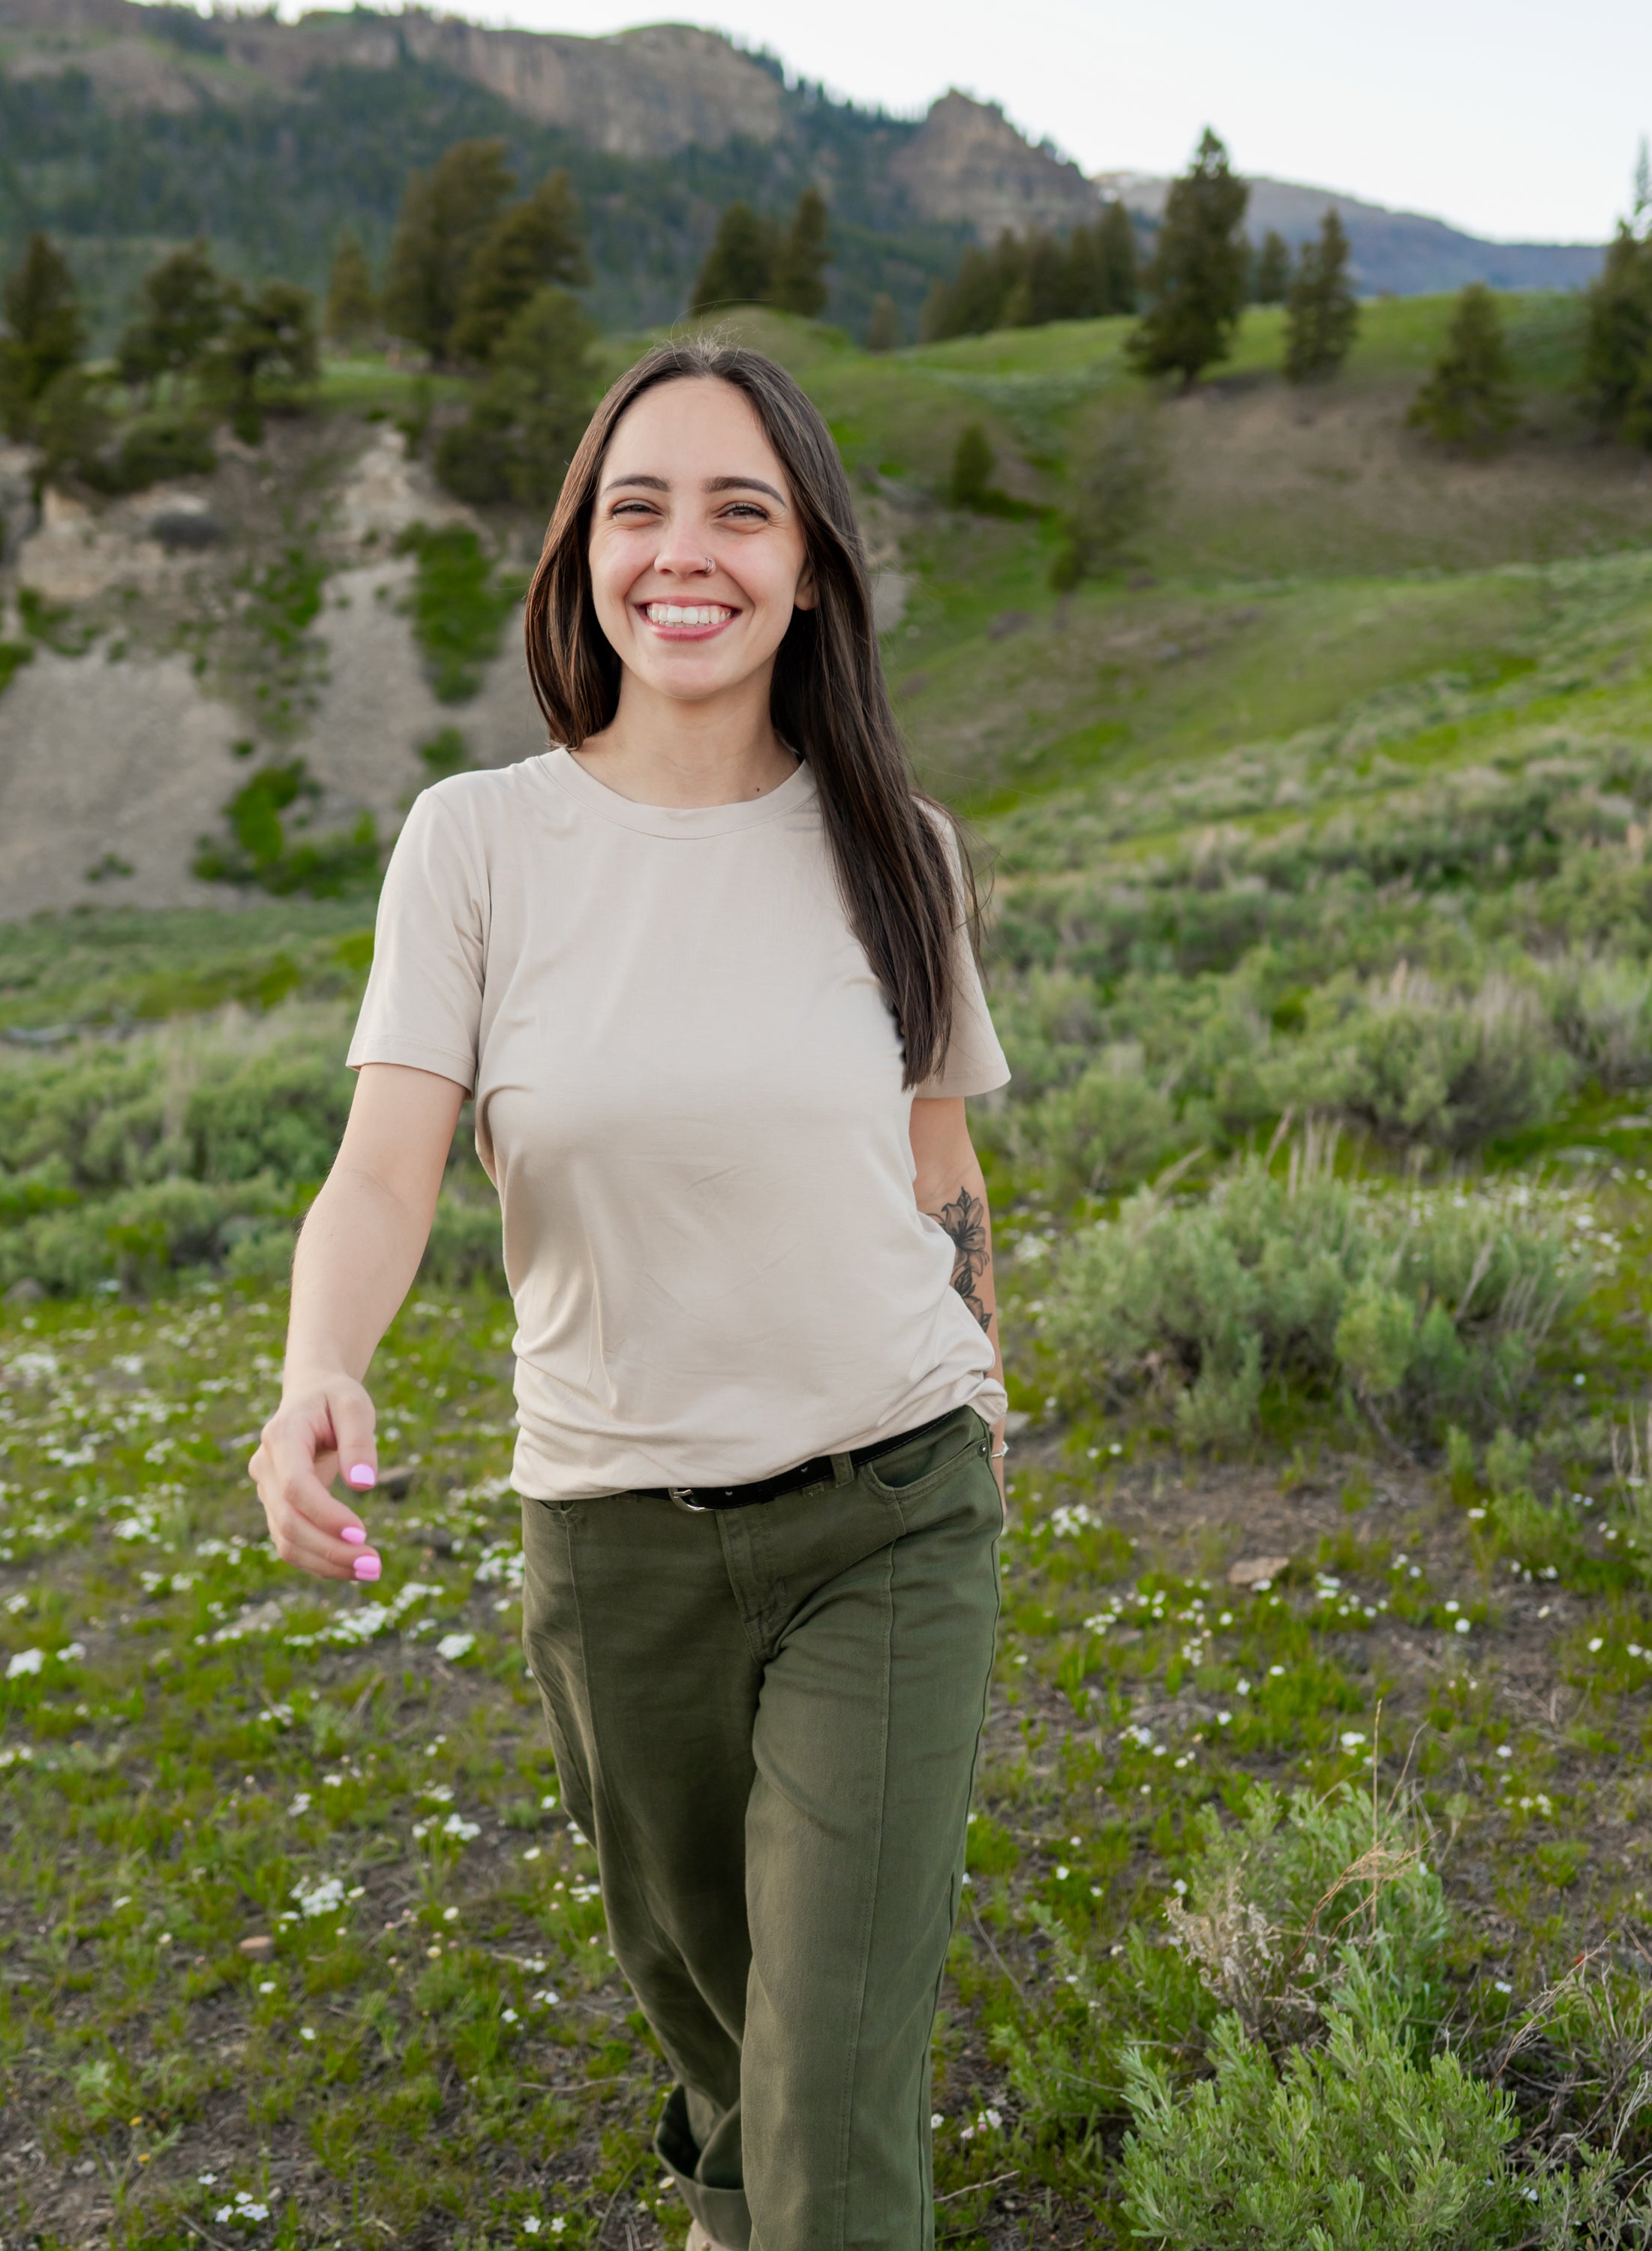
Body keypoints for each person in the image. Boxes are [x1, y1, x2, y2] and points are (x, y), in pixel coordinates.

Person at [249, 338, 1009, 2251]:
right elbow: (384, 1166)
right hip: (612, 1548)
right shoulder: (480, 845)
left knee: (834, 2084)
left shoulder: (900, 855)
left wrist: (981, 1395)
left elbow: (942, 1170)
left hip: (890, 1521)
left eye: (743, 509)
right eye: (640, 506)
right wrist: (317, 1366)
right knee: (726, 2050)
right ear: (585, 548)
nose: (689, 552)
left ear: (813, 563)